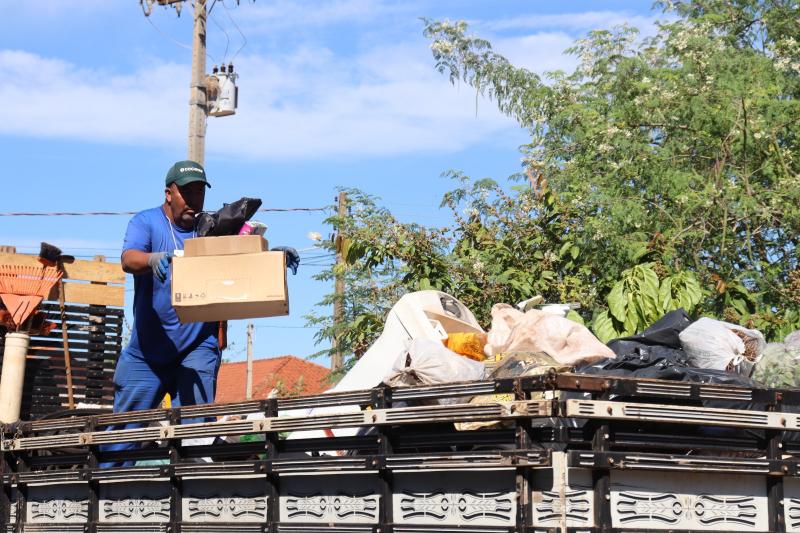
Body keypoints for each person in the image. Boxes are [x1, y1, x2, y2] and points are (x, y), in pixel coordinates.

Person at [101, 160, 220, 463]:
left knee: (196, 438)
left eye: (199, 193)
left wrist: (276, 255)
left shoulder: (212, 230)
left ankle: (196, 501)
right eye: (187, 192)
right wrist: (154, 259)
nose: (195, 200)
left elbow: (241, 256)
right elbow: (128, 259)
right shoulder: (147, 222)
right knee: (119, 441)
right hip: (148, 350)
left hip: (196, 346)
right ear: (169, 193)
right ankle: (108, 499)